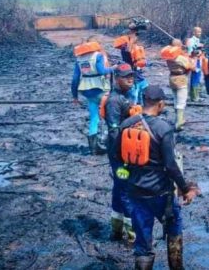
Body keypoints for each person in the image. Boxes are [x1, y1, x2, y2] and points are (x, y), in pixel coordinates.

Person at [119, 86, 200, 270]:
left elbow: (118, 155)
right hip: (161, 192)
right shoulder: (164, 128)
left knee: (142, 241)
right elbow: (171, 165)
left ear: (143, 101)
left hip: (135, 192)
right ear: (161, 104)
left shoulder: (127, 124)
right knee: (174, 228)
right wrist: (185, 189)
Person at [103, 63, 140, 244]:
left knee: (119, 188)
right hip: (119, 153)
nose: (130, 79)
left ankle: (116, 229)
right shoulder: (114, 101)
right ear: (117, 78)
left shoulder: (124, 96)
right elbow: (113, 130)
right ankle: (132, 233)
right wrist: (122, 153)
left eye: (131, 76)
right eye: (126, 76)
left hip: (122, 150)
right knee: (125, 189)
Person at [71, 38, 113, 155]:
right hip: (101, 90)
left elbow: (75, 79)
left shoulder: (79, 60)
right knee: (109, 116)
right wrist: (113, 68)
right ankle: (110, 142)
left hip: (87, 91)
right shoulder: (98, 56)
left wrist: (75, 96)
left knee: (94, 118)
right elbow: (102, 71)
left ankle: (93, 148)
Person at [161, 39, 194, 131]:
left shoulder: (169, 57)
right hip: (181, 79)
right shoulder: (180, 58)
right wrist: (192, 59)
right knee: (181, 101)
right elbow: (191, 67)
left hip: (172, 78)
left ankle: (178, 120)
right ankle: (179, 123)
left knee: (176, 100)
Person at [114, 27, 148, 105]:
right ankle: (134, 110)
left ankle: (140, 108)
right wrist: (132, 38)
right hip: (133, 73)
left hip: (136, 74)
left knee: (141, 93)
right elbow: (129, 49)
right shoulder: (126, 48)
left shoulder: (127, 47)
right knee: (134, 95)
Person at [186, 27, 204, 102]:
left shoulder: (198, 40)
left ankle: (196, 95)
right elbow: (190, 52)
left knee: (198, 78)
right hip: (194, 61)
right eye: (198, 32)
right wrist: (198, 52)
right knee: (195, 78)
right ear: (194, 32)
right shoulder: (191, 41)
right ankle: (194, 96)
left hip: (198, 60)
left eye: (200, 32)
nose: (199, 33)